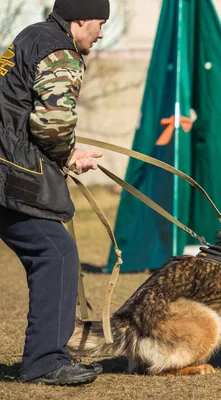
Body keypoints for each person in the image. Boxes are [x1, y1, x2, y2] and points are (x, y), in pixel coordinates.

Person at [0, 0, 110, 386]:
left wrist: (68, 149)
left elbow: (20, 108)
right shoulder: (59, 51)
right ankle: (45, 362)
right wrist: (70, 155)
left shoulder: (30, 35)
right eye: (99, 23)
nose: (101, 33)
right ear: (80, 20)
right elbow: (52, 124)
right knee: (55, 253)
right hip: (11, 171)